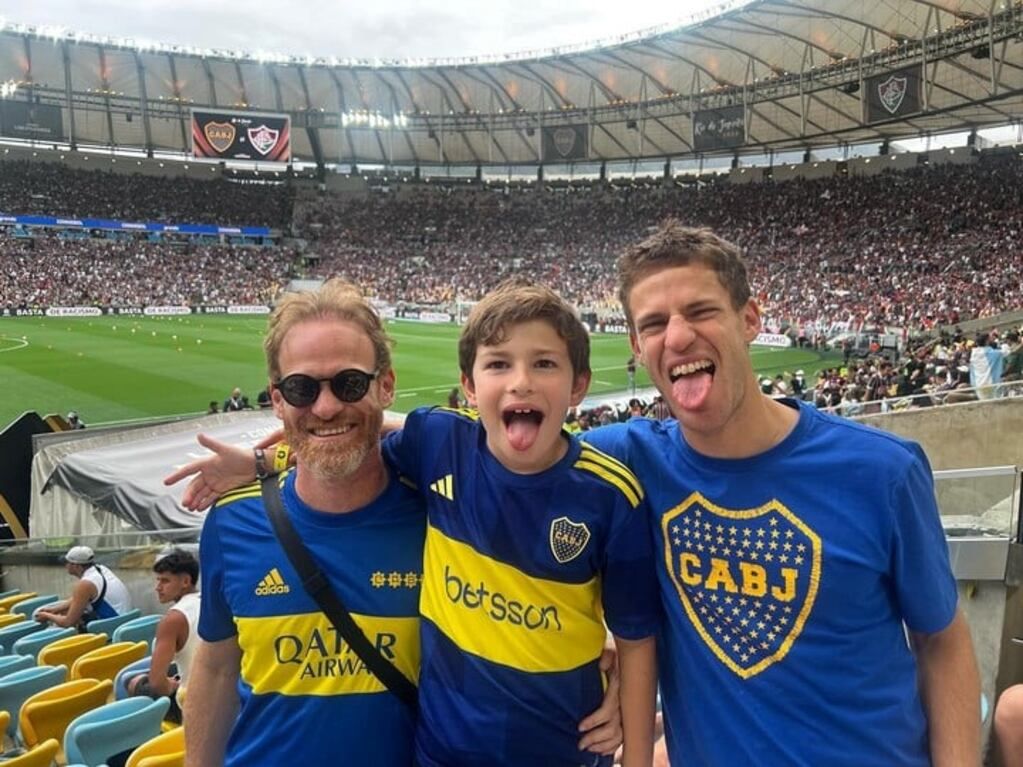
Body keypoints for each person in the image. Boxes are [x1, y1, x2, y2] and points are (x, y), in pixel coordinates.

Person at [582, 220, 980, 766]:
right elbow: (502, 462)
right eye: (654, 324)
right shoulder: (628, 460)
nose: (676, 337)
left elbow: (942, 639)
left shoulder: (882, 471)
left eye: (700, 312)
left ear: (750, 318)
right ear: (635, 345)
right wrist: (584, 648)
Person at [178, 280, 623, 767]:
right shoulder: (232, 521)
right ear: (278, 400)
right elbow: (217, 671)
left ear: (386, 386)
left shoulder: (444, 513)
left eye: (349, 384)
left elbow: (546, 589)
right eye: (302, 388)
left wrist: (610, 666)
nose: (325, 407)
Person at [382, 280, 658, 766]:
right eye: (498, 363)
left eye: (545, 363)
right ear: (469, 385)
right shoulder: (437, 440)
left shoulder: (611, 495)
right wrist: (269, 461)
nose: (521, 381)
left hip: (562, 752)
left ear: (578, 386)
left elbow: (635, 644)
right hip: (442, 752)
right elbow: (353, 455)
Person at [125, 549, 200, 723]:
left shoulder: (173, 620)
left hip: (192, 704)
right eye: (157, 580)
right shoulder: (212, 602)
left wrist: (171, 685)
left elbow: (158, 684)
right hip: (221, 695)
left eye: (165, 581)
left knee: (132, 681)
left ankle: (140, 740)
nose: (158, 587)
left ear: (186, 581)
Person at [36, 545, 134, 630]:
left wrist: (47, 616)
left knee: (63, 625)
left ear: (77, 566)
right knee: (68, 613)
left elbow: (68, 623)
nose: (65, 566)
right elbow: (78, 599)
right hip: (124, 620)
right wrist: (54, 610)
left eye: (67, 563)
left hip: (112, 626)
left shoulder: (86, 584)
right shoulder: (100, 569)